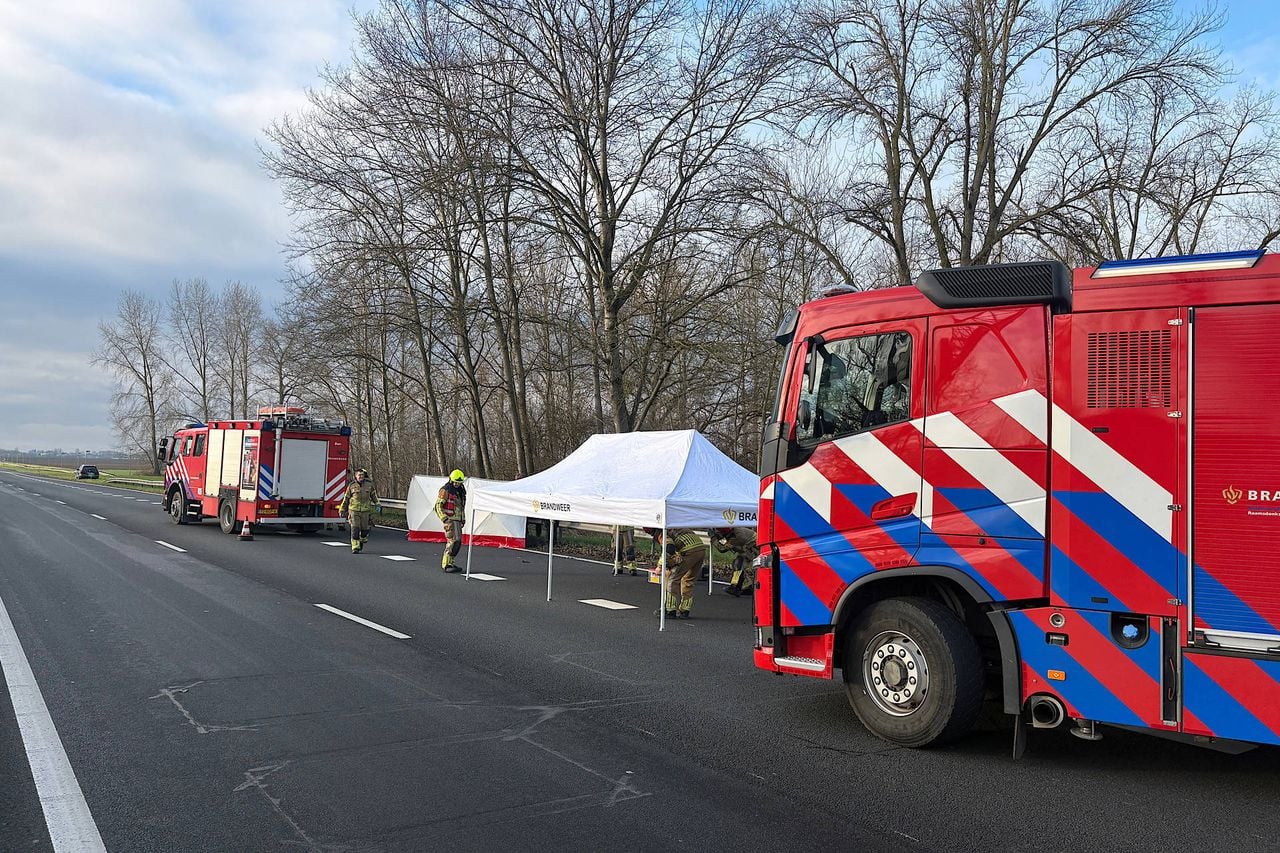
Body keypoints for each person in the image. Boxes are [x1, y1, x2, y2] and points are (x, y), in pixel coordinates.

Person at [646, 527, 706, 619]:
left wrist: (660, 566)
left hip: (688, 551)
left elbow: (669, 548)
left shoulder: (663, 532)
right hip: (701, 549)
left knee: (672, 579)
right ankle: (684, 610)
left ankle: (670, 610)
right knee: (688, 580)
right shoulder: (675, 526)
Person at [337, 468, 381, 553]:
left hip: (365, 511)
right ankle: (355, 547)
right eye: (359, 475)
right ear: (355, 476)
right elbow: (346, 498)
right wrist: (342, 509)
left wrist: (377, 504)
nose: (361, 476)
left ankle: (362, 539)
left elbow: (374, 496)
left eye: (362, 475)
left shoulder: (369, 485)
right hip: (354, 510)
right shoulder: (351, 486)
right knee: (355, 528)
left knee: (365, 530)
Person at [435, 469, 467, 573]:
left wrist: (463, 519)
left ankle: (451, 562)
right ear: (451, 480)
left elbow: (461, 507)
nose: (457, 484)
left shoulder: (461, 491)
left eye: (459, 482)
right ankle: (446, 564)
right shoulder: (446, 490)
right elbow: (438, 506)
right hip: (450, 519)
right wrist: (444, 519)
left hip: (457, 520)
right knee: (452, 541)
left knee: (458, 542)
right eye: (456, 482)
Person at [712, 526, 759, 596]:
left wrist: (714, 538)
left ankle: (738, 587)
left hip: (753, 546)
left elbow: (723, 548)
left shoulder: (739, 535)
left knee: (739, 565)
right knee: (737, 565)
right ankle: (741, 587)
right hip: (747, 547)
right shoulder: (732, 532)